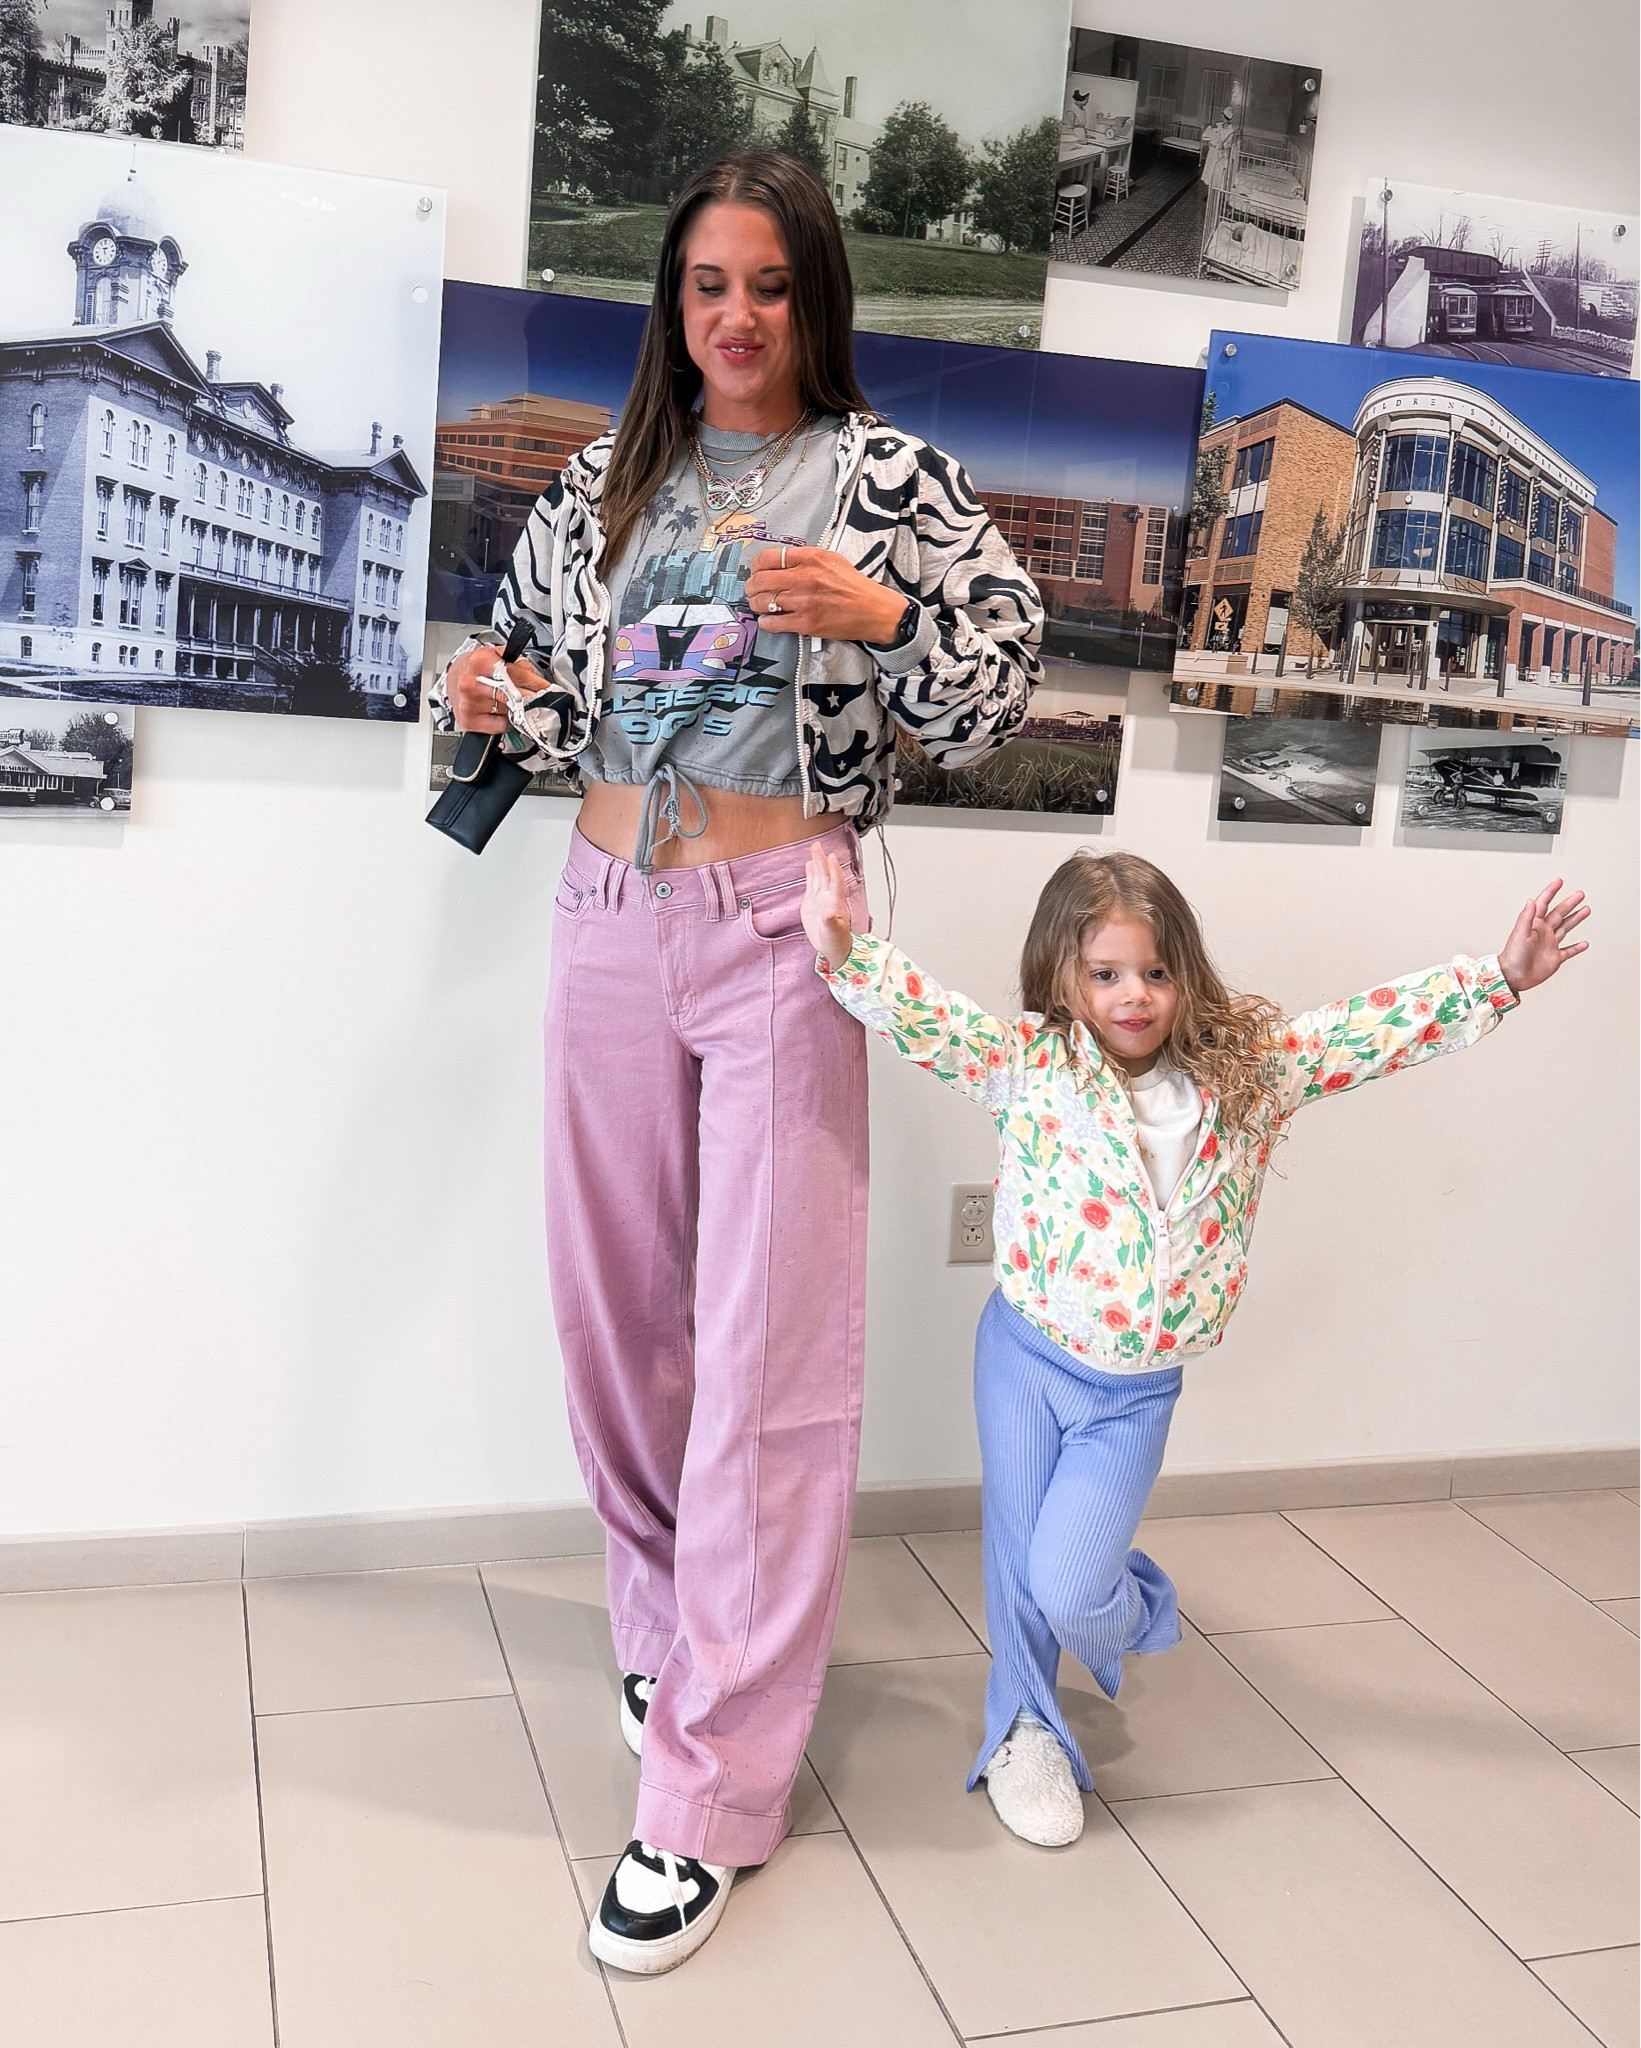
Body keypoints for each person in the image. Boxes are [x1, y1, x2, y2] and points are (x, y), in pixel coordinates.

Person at [433, 147, 1042, 1971]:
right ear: (673, 304)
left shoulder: (889, 481)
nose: (736, 315)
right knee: (619, 1309)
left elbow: (996, 682)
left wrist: (891, 617)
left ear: (815, 298)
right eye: (707, 283)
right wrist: (493, 694)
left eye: (768, 284)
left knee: (773, 1350)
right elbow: (545, 679)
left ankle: (707, 1792)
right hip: (611, 908)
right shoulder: (604, 481)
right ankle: (660, 1620)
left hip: (788, 919)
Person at [801, 846, 1588, 1846]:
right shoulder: (1027, 1066)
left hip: (1131, 1392)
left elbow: (1362, 1031)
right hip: (1023, 1353)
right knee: (1016, 1558)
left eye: (1155, 971)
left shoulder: (1245, 1075)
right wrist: (843, 948)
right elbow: (927, 1015)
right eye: (1106, 973)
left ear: (1185, 972)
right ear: (1061, 975)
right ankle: (1025, 1729)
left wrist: (1500, 976)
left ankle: (1137, 1609)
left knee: (1070, 1579)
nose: (1135, 996)